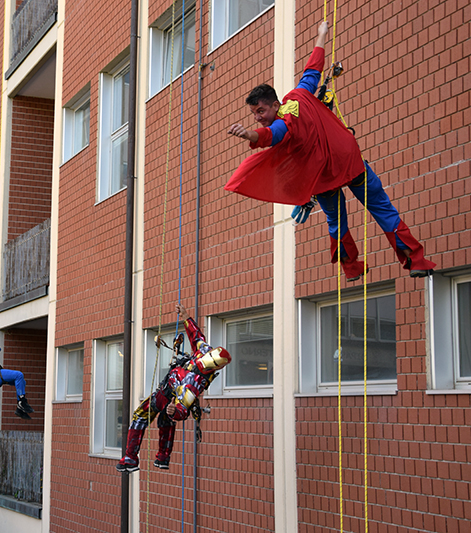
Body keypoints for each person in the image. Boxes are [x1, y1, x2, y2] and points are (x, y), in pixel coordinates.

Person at [225, 21, 435, 281]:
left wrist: (249, 134)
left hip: (327, 176)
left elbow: (272, 134)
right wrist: (321, 36)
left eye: (261, 111)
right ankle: (415, 259)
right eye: (254, 114)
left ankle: (351, 267)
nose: (258, 117)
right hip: (346, 163)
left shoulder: (285, 119)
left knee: (341, 220)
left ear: (275, 104)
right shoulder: (299, 95)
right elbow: (312, 70)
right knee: (380, 209)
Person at [117, 303, 231, 473]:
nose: (206, 358)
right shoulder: (203, 352)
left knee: (142, 415)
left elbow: (183, 410)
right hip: (168, 390)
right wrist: (185, 317)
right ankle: (162, 458)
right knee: (165, 421)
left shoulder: (194, 384)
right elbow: (196, 336)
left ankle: (130, 458)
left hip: (167, 394)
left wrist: (174, 411)